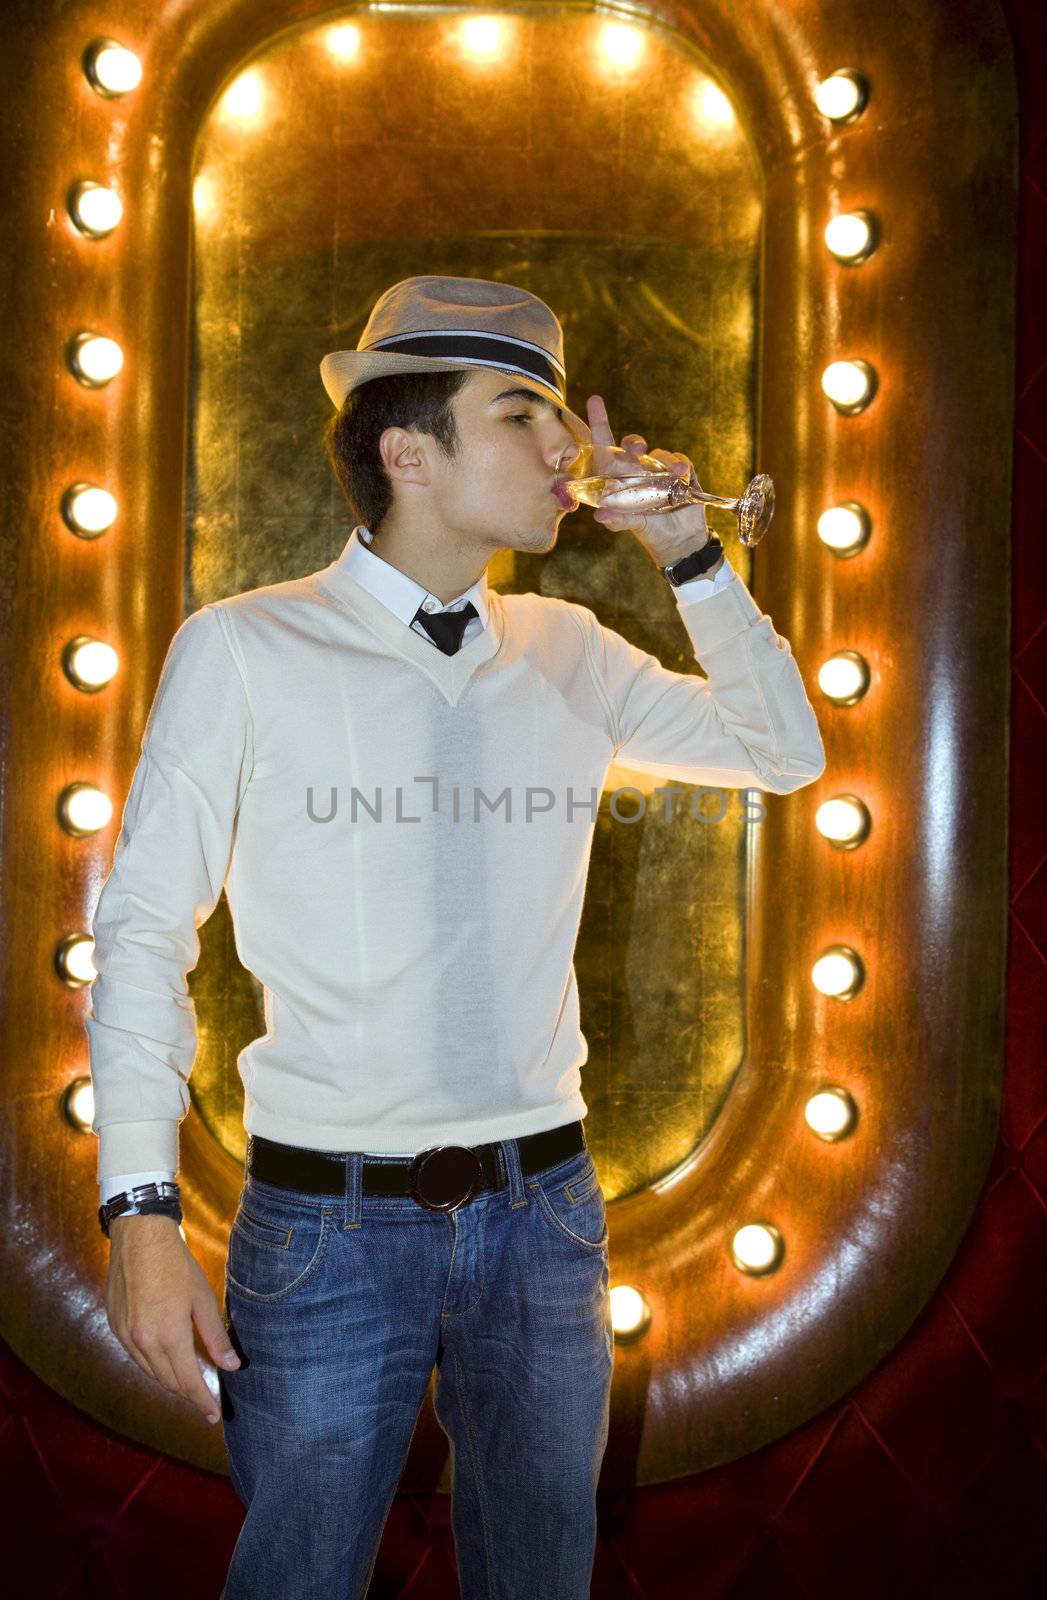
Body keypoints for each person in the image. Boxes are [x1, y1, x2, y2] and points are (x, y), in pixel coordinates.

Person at [89, 275, 826, 1599]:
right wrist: (139, 1214)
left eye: (562, 419)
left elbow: (782, 754)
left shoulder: (567, 644)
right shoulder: (245, 646)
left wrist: (690, 559)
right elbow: (142, 925)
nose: (567, 451)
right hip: (322, 1224)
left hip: (546, 1220)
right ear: (405, 449)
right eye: (521, 414)